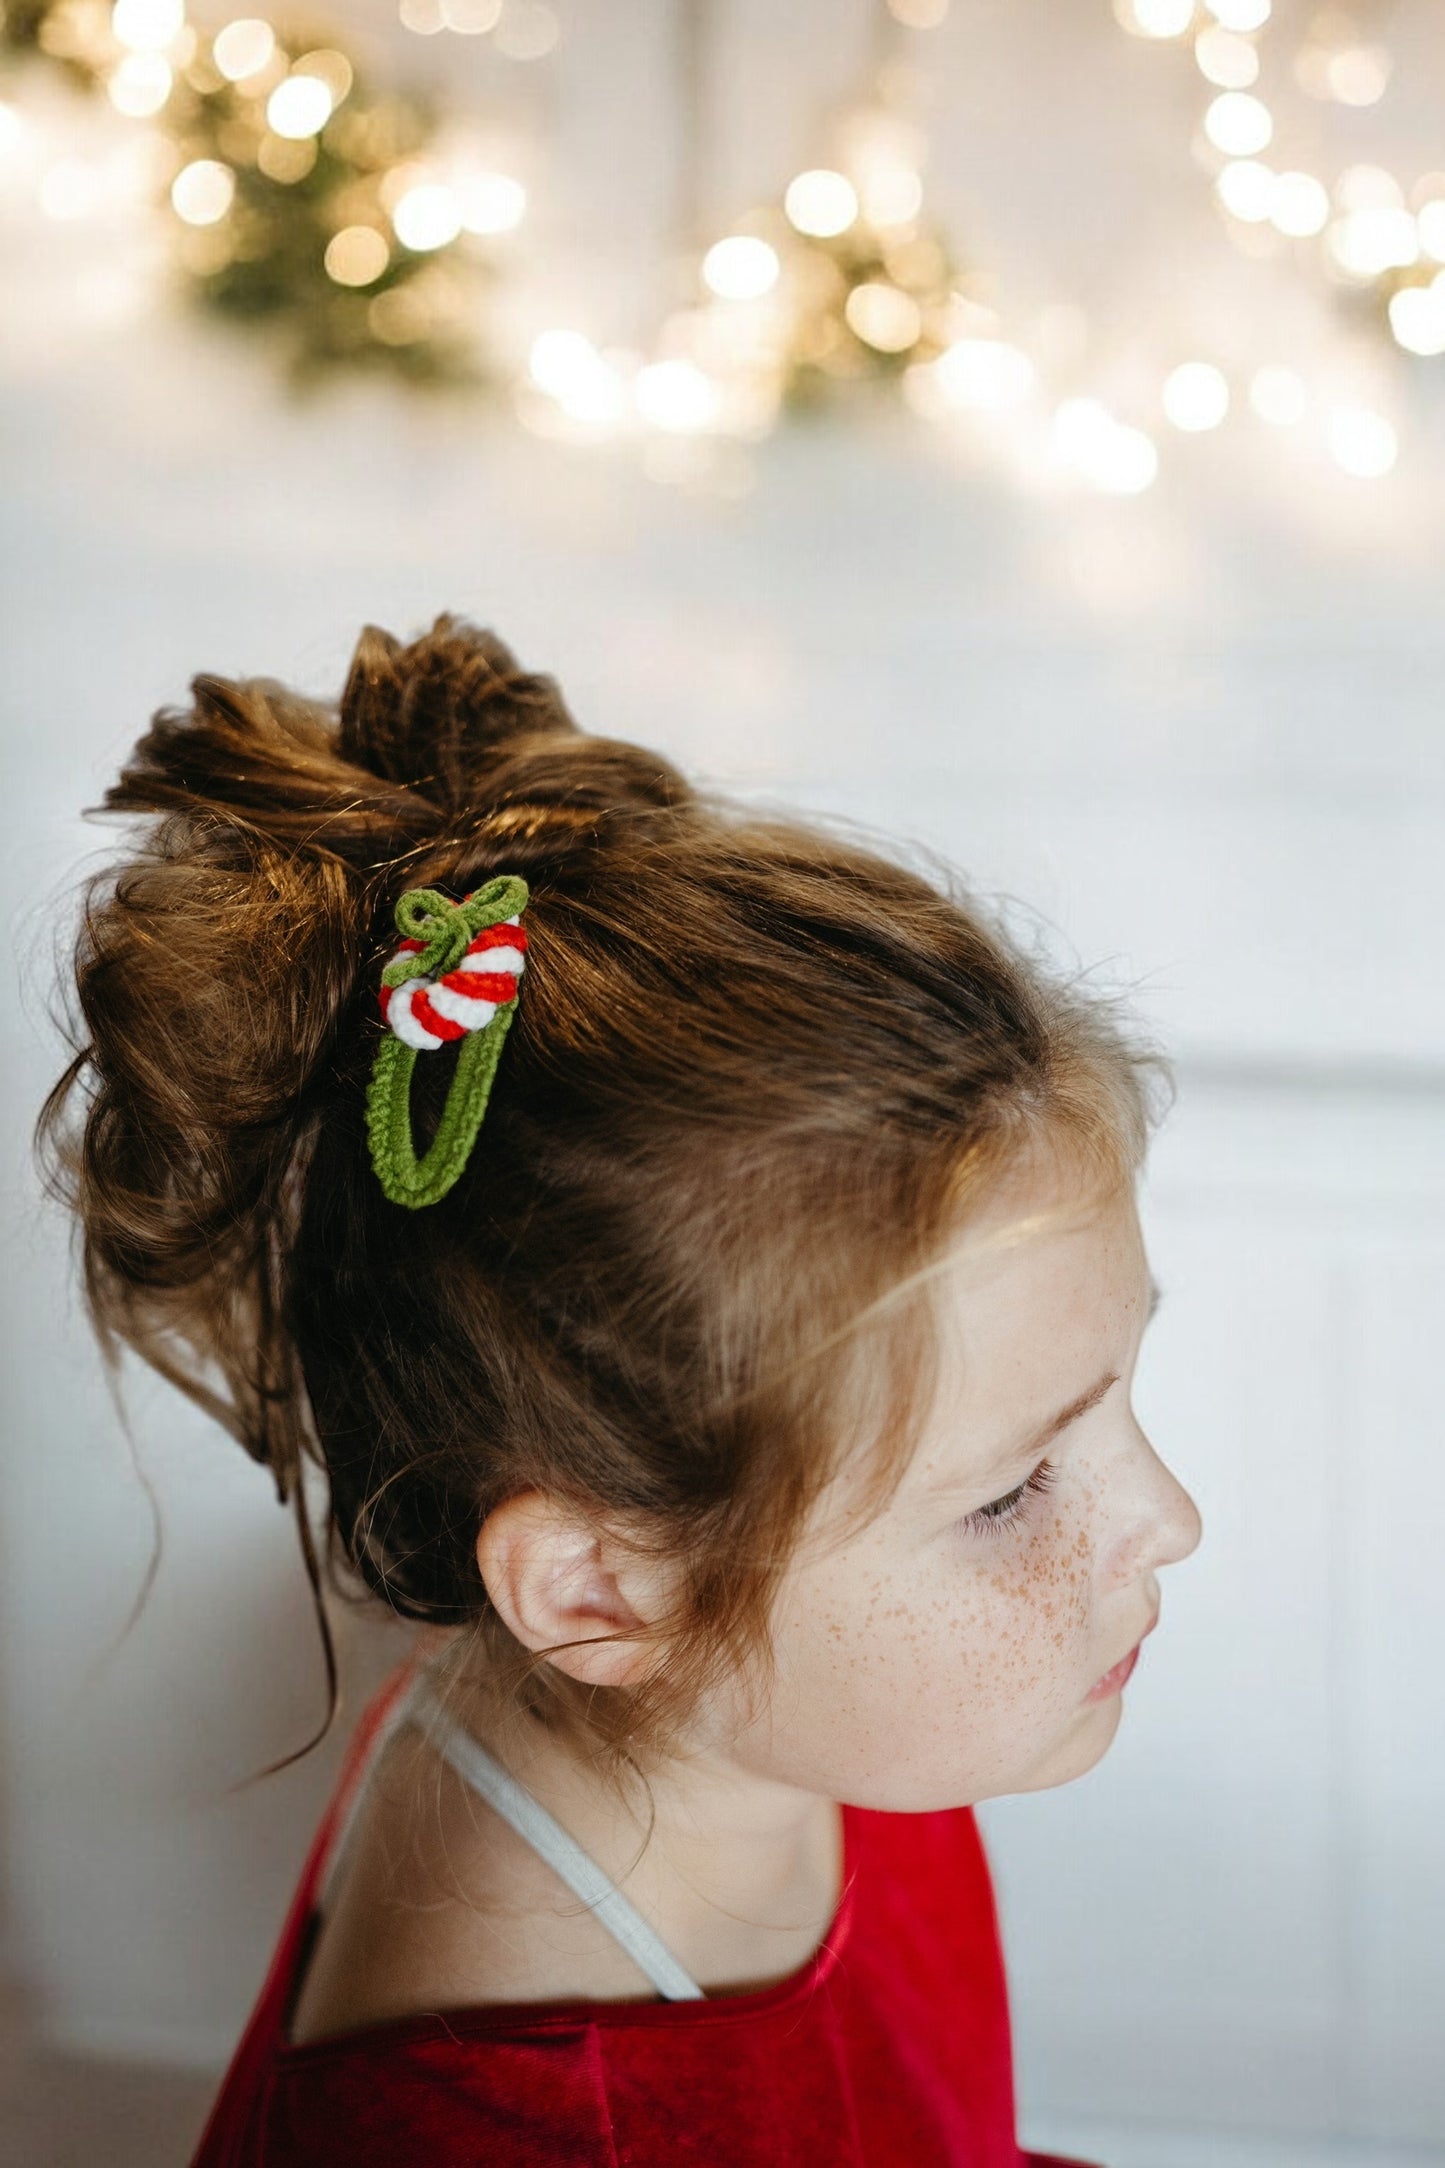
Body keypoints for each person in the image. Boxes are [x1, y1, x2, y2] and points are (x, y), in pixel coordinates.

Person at [38, 612, 1203, 2167]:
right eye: (1007, 1492)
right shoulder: (522, 2134)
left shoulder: (768, 1698)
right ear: (596, 1585)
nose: (1170, 1521)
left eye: (1116, 1398)